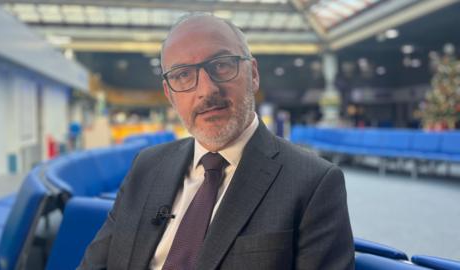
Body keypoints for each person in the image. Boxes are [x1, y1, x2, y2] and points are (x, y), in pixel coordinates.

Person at [79, 13, 354, 270]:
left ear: (253, 74)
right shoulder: (146, 166)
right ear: (169, 93)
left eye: (222, 65)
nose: (207, 90)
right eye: (183, 75)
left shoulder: (314, 183)